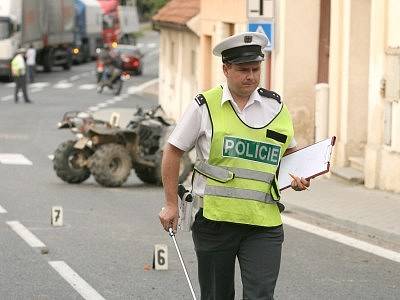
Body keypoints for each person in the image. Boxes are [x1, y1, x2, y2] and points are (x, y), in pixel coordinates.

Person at [159, 32, 310, 300]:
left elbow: (290, 154)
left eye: (256, 69)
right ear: (226, 69)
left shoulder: (276, 107)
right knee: (217, 295)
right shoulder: (204, 106)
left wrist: (300, 178)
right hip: (215, 222)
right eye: (243, 70)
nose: (251, 76)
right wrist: (171, 203)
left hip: (263, 223)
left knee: (261, 295)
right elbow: (173, 151)